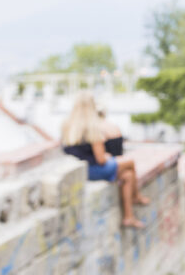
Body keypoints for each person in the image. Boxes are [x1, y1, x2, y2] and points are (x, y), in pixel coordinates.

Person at [61, 92, 150, 229]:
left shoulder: (67, 125)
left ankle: (128, 217)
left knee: (128, 176)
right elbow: (101, 160)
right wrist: (108, 156)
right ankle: (136, 196)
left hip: (80, 171)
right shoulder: (92, 128)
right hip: (93, 171)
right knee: (130, 162)